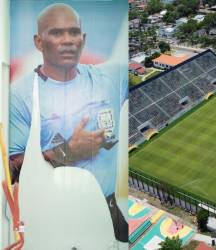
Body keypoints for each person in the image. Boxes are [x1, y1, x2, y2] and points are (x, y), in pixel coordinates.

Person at [9, 3, 128, 242]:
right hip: (58, 212)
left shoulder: (111, 78)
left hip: (109, 206)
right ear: (38, 42)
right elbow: (11, 171)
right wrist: (67, 152)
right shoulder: (20, 96)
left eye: (74, 32)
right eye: (56, 32)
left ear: (83, 39)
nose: (67, 40)